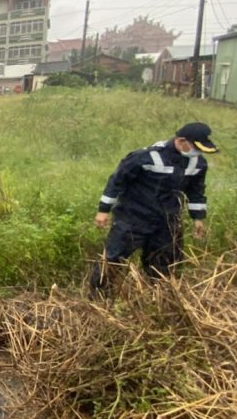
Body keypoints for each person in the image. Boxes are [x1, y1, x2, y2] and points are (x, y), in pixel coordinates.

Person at [90, 122, 217, 292]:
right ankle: (97, 298)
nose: (198, 152)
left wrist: (198, 219)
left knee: (165, 266)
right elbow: (117, 182)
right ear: (181, 141)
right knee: (113, 260)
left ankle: (157, 300)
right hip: (132, 218)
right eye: (196, 147)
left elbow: (196, 192)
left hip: (167, 222)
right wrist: (103, 210)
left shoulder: (198, 164)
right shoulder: (145, 157)